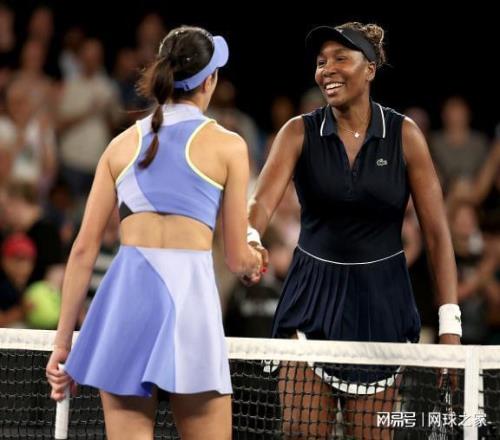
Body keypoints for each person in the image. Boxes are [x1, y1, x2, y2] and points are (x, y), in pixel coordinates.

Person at [246, 22, 461, 439]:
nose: (327, 69)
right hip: (310, 300)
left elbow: (437, 235)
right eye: (321, 61)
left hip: (382, 305)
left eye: (341, 58)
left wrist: (449, 325)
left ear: (370, 69)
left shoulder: (405, 136)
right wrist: (251, 239)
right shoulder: (297, 132)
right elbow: (260, 204)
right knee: (301, 432)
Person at [46, 26, 262, 440]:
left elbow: (83, 250)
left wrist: (62, 344)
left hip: (126, 305)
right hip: (190, 306)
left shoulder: (120, 145)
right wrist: (255, 258)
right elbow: (237, 259)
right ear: (209, 81)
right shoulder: (229, 146)